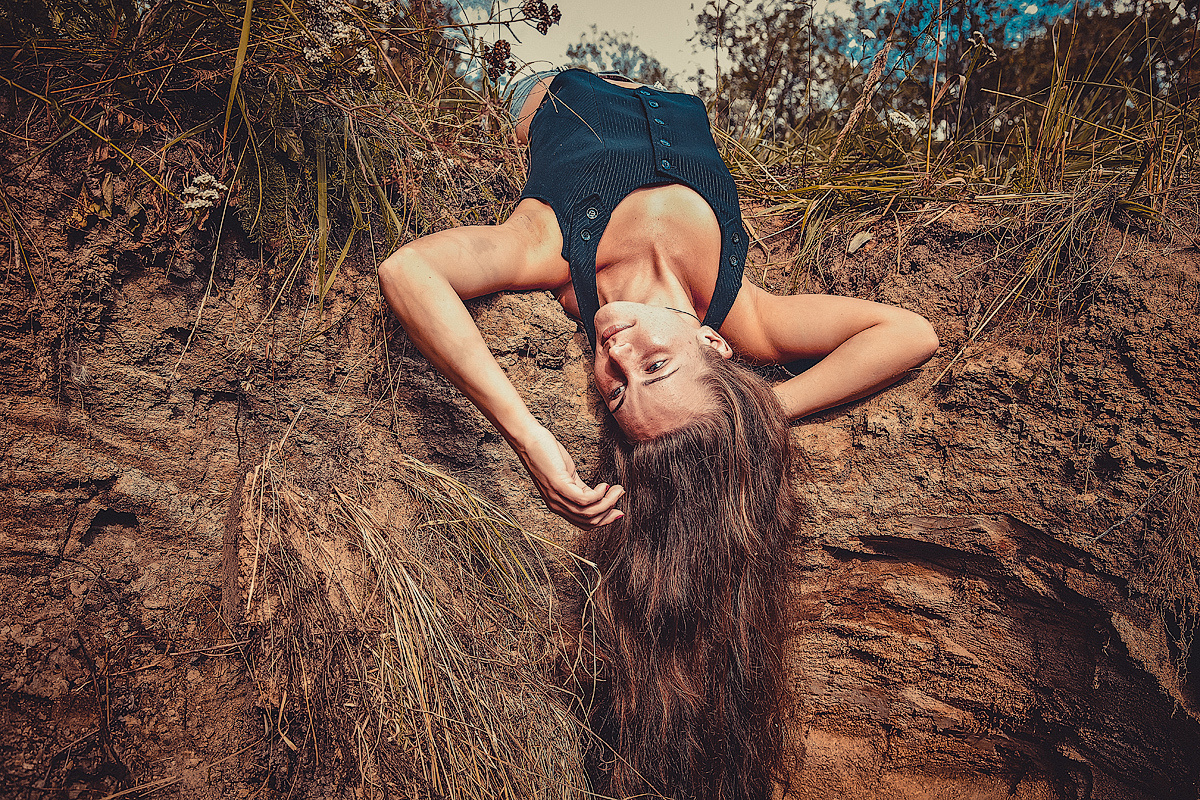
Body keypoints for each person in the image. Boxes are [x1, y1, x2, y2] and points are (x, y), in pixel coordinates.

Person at [378, 67, 938, 800]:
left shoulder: (554, 248)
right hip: (666, 83)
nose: (614, 351)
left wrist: (528, 435)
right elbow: (909, 333)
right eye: (656, 365)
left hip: (550, 85)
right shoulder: (741, 309)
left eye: (616, 388)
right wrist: (763, 411)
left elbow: (407, 268)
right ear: (715, 350)